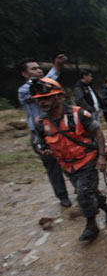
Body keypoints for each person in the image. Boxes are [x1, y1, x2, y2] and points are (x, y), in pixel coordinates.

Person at [31, 78, 107, 242]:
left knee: (83, 194)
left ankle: (91, 226)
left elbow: (97, 132)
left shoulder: (78, 114)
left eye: (47, 98)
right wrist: (42, 150)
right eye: (39, 100)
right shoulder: (41, 123)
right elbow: (37, 143)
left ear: (58, 97)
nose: (43, 103)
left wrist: (102, 156)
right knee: (87, 191)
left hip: (87, 161)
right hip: (67, 166)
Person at [17, 55, 71, 207]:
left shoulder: (46, 84)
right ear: (24, 74)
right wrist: (56, 68)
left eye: (39, 67)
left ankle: (81, 190)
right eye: (33, 69)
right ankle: (62, 196)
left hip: (58, 130)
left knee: (69, 159)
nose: (39, 70)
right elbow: (42, 87)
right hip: (40, 134)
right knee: (53, 167)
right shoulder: (24, 91)